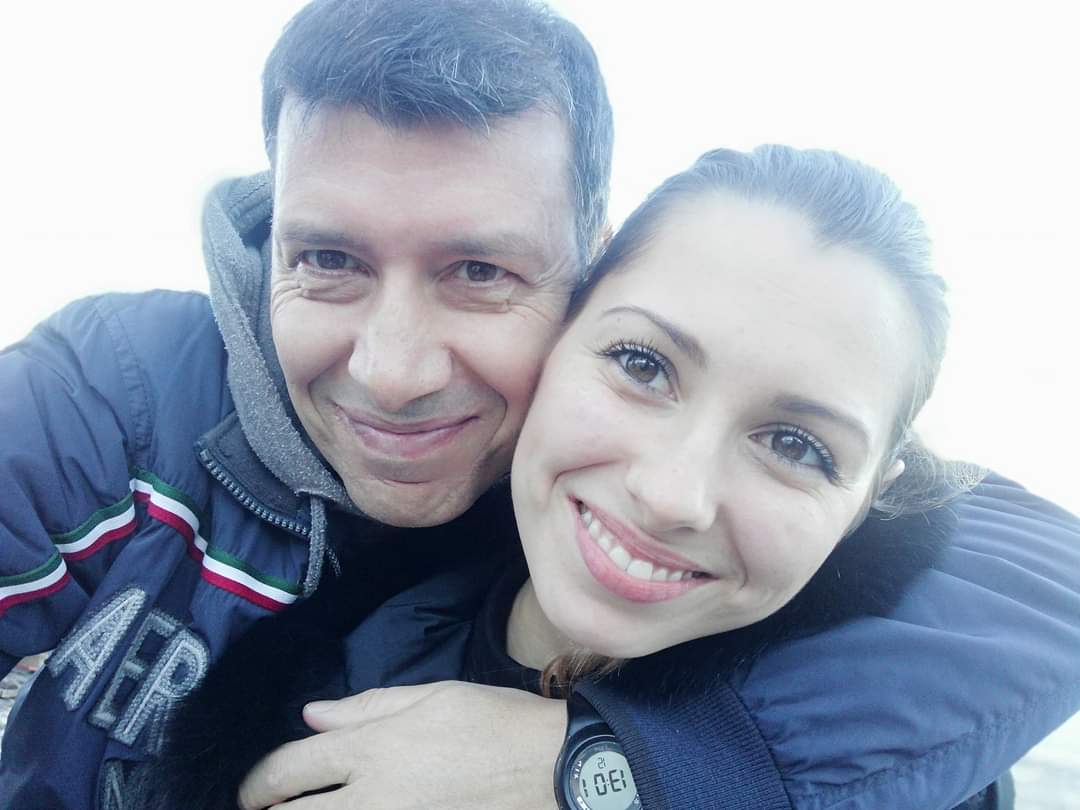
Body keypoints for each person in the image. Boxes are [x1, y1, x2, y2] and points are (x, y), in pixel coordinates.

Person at [0, 1, 1077, 808]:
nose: (393, 371)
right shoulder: (110, 394)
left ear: (581, 275)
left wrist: (618, 765)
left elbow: (1045, 569)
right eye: (326, 258)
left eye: (480, 271)